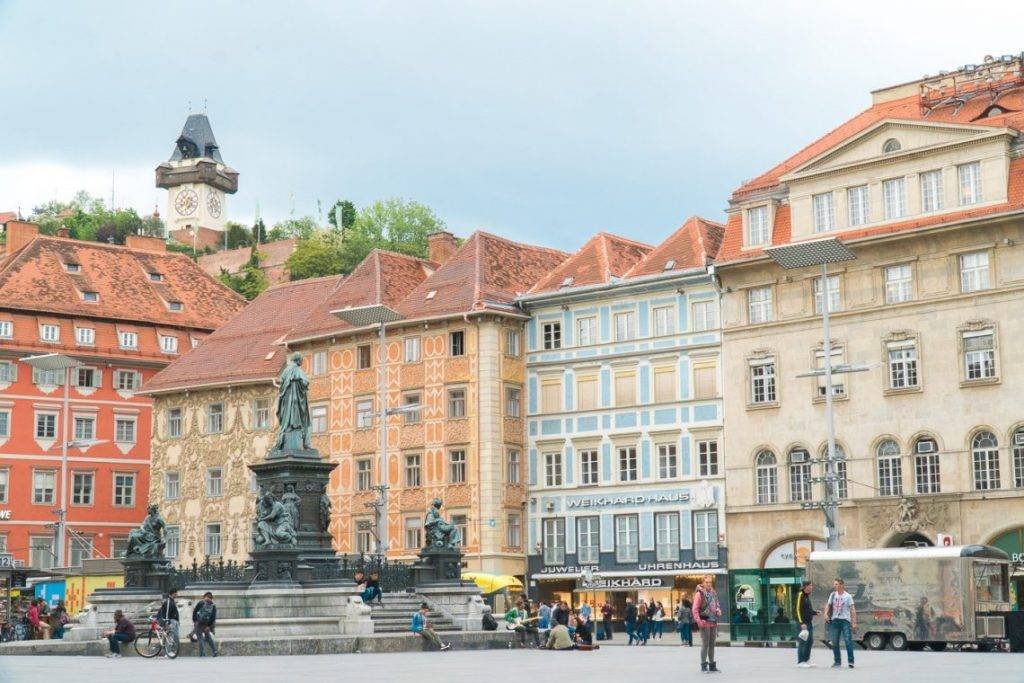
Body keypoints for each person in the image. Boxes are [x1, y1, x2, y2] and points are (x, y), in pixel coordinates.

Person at [692, 574, 722, 674]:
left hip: (713, 621)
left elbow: (717, 604)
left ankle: (712, 666)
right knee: (705, 644)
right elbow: (695, 609)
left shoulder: (713, 592)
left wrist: (718, 610)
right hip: (704, 622)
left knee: (712, 644)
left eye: (710, 582)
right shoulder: (699, 594)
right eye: (707, 582)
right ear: (703, 583)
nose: (709, 584)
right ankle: (703, 666)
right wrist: (699, 621)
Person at [824, 578, 856, 669]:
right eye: (834, 584)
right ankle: (837, 662)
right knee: (835, 642)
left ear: (842, 585)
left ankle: (851, 661)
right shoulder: (833, 595)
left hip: (845, 621)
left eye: (837, 584)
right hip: (835, 620)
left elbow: (852, 610)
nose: (835, 586)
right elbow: (828, 605)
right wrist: (826, 613)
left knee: (848, 641)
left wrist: (854, 622)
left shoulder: (848, 596)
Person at [796, 580, 818, 668]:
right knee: (803, 641)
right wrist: (801, 622)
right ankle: (800, 661)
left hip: (809, 622)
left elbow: (807, 610)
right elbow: (797, 609)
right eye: (810, 585)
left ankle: (806, 659)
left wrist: (815, 612)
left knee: (810, 641)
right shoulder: (800, 595)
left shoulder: (807, 596)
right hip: (803, 623)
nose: (812, 587)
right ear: (806, 586)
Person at [192, 591, 218, 657]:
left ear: (204, 596)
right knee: (208, 637)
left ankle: (202, 654)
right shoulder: (213, 606)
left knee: (200, 638)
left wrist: (195, 621)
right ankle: (215, 651)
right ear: (211, 598)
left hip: (199, 623)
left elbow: (195, 612)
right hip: (207, 624)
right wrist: (208, 626)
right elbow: (213, 617)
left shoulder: (201, 602)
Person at [156, 589, 180, 654]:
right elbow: (166, 613)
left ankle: (172, 651)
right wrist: (167, 622)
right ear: (173, 594)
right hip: (171, 621)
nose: (177, 595)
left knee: (174, 637)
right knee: (170, 636)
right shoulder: (169, 601)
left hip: (174, 620)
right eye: (176, 593)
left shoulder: (172, 601)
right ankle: (168, 652)